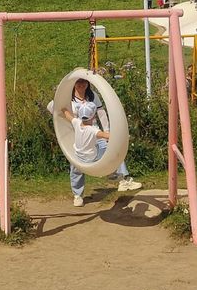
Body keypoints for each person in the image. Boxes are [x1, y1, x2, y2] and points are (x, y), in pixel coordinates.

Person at [49, 77, 141, 206]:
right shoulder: (68, 98)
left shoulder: (92, 96)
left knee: (113, 150)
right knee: (76, 164)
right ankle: (77, 195)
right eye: (78, 82)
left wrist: (108, 131)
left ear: (88, 83)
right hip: (76, 134)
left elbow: (101, 113)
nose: (81, 85)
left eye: (84, 82)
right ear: (73, 84)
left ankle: (123, 179)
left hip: (94, 131)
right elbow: (54, 107)